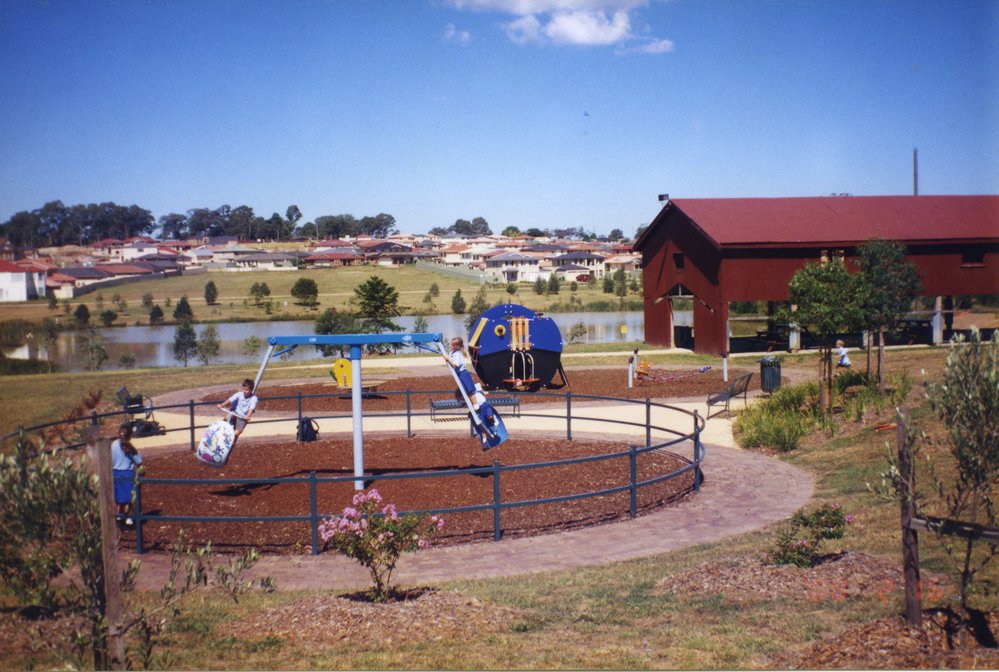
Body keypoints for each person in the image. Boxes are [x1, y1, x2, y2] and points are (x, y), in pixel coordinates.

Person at [111, 422, 143, 526]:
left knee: (119, 496)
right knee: (130, 497)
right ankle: (129, 518)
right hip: (127, 474)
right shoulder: (130, 448)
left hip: (115, 473)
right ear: (130, 436)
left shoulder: (113, 445)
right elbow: (139, 462)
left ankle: (120, 515)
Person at [218, 378, 258, 446]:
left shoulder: (254, 398)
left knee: (236, 433)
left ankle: (232, 442)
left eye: (246, 390)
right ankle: (222, 433)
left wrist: (248, 416)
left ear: (251, 390)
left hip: (243, 417)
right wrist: (222, 405)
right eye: (243, 389)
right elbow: (231, 399)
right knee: (227, 417)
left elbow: (251, 408)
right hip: (236, 413)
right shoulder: (239, 394)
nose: (244, 391)